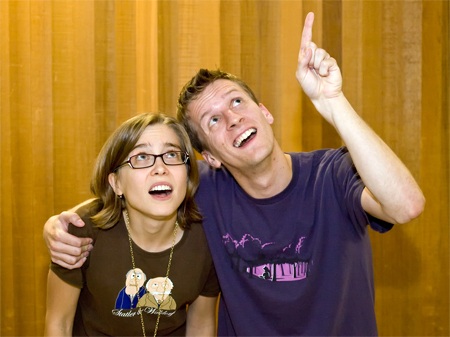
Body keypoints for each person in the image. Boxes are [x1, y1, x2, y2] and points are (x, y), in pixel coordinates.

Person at [44, 12, 425, 336]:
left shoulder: (332, 173)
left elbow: (406, 205)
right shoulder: (203, 191)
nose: (233, 118)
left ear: (264, 112)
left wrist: (334, 102)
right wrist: (60, 224)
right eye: (213, 120)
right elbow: (139, 186)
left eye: (238, 102)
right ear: (208, 156)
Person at [44, 113, 220, 336]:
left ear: (187, 174)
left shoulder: (207, 237)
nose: (160, 168)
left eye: (172, 154)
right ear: (116, 183)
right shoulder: (81, 232)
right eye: (142, 157)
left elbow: (201, 325)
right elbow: (59, 324)